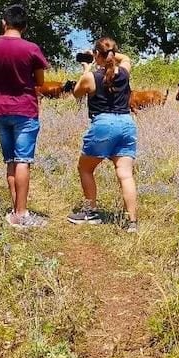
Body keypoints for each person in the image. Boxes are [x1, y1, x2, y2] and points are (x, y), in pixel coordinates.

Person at [0, 4, 49, 229]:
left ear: (4, 22)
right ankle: (22, 213)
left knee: (10, 160)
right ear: (25, 26)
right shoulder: (31, 49)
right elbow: (40, 82)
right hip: (25, 110)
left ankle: (14, 211)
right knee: (23, 161)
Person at [69, 37, 138, 231]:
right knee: (125, 175)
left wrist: (87, 67)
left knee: (85, 168)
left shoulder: (91, 77)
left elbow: (76, 93)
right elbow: (126, 58)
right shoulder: (124, 72)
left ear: (97, 55)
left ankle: (91, 212)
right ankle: (132, 222)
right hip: (126, 123)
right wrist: (108, 54)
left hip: (103, 124)